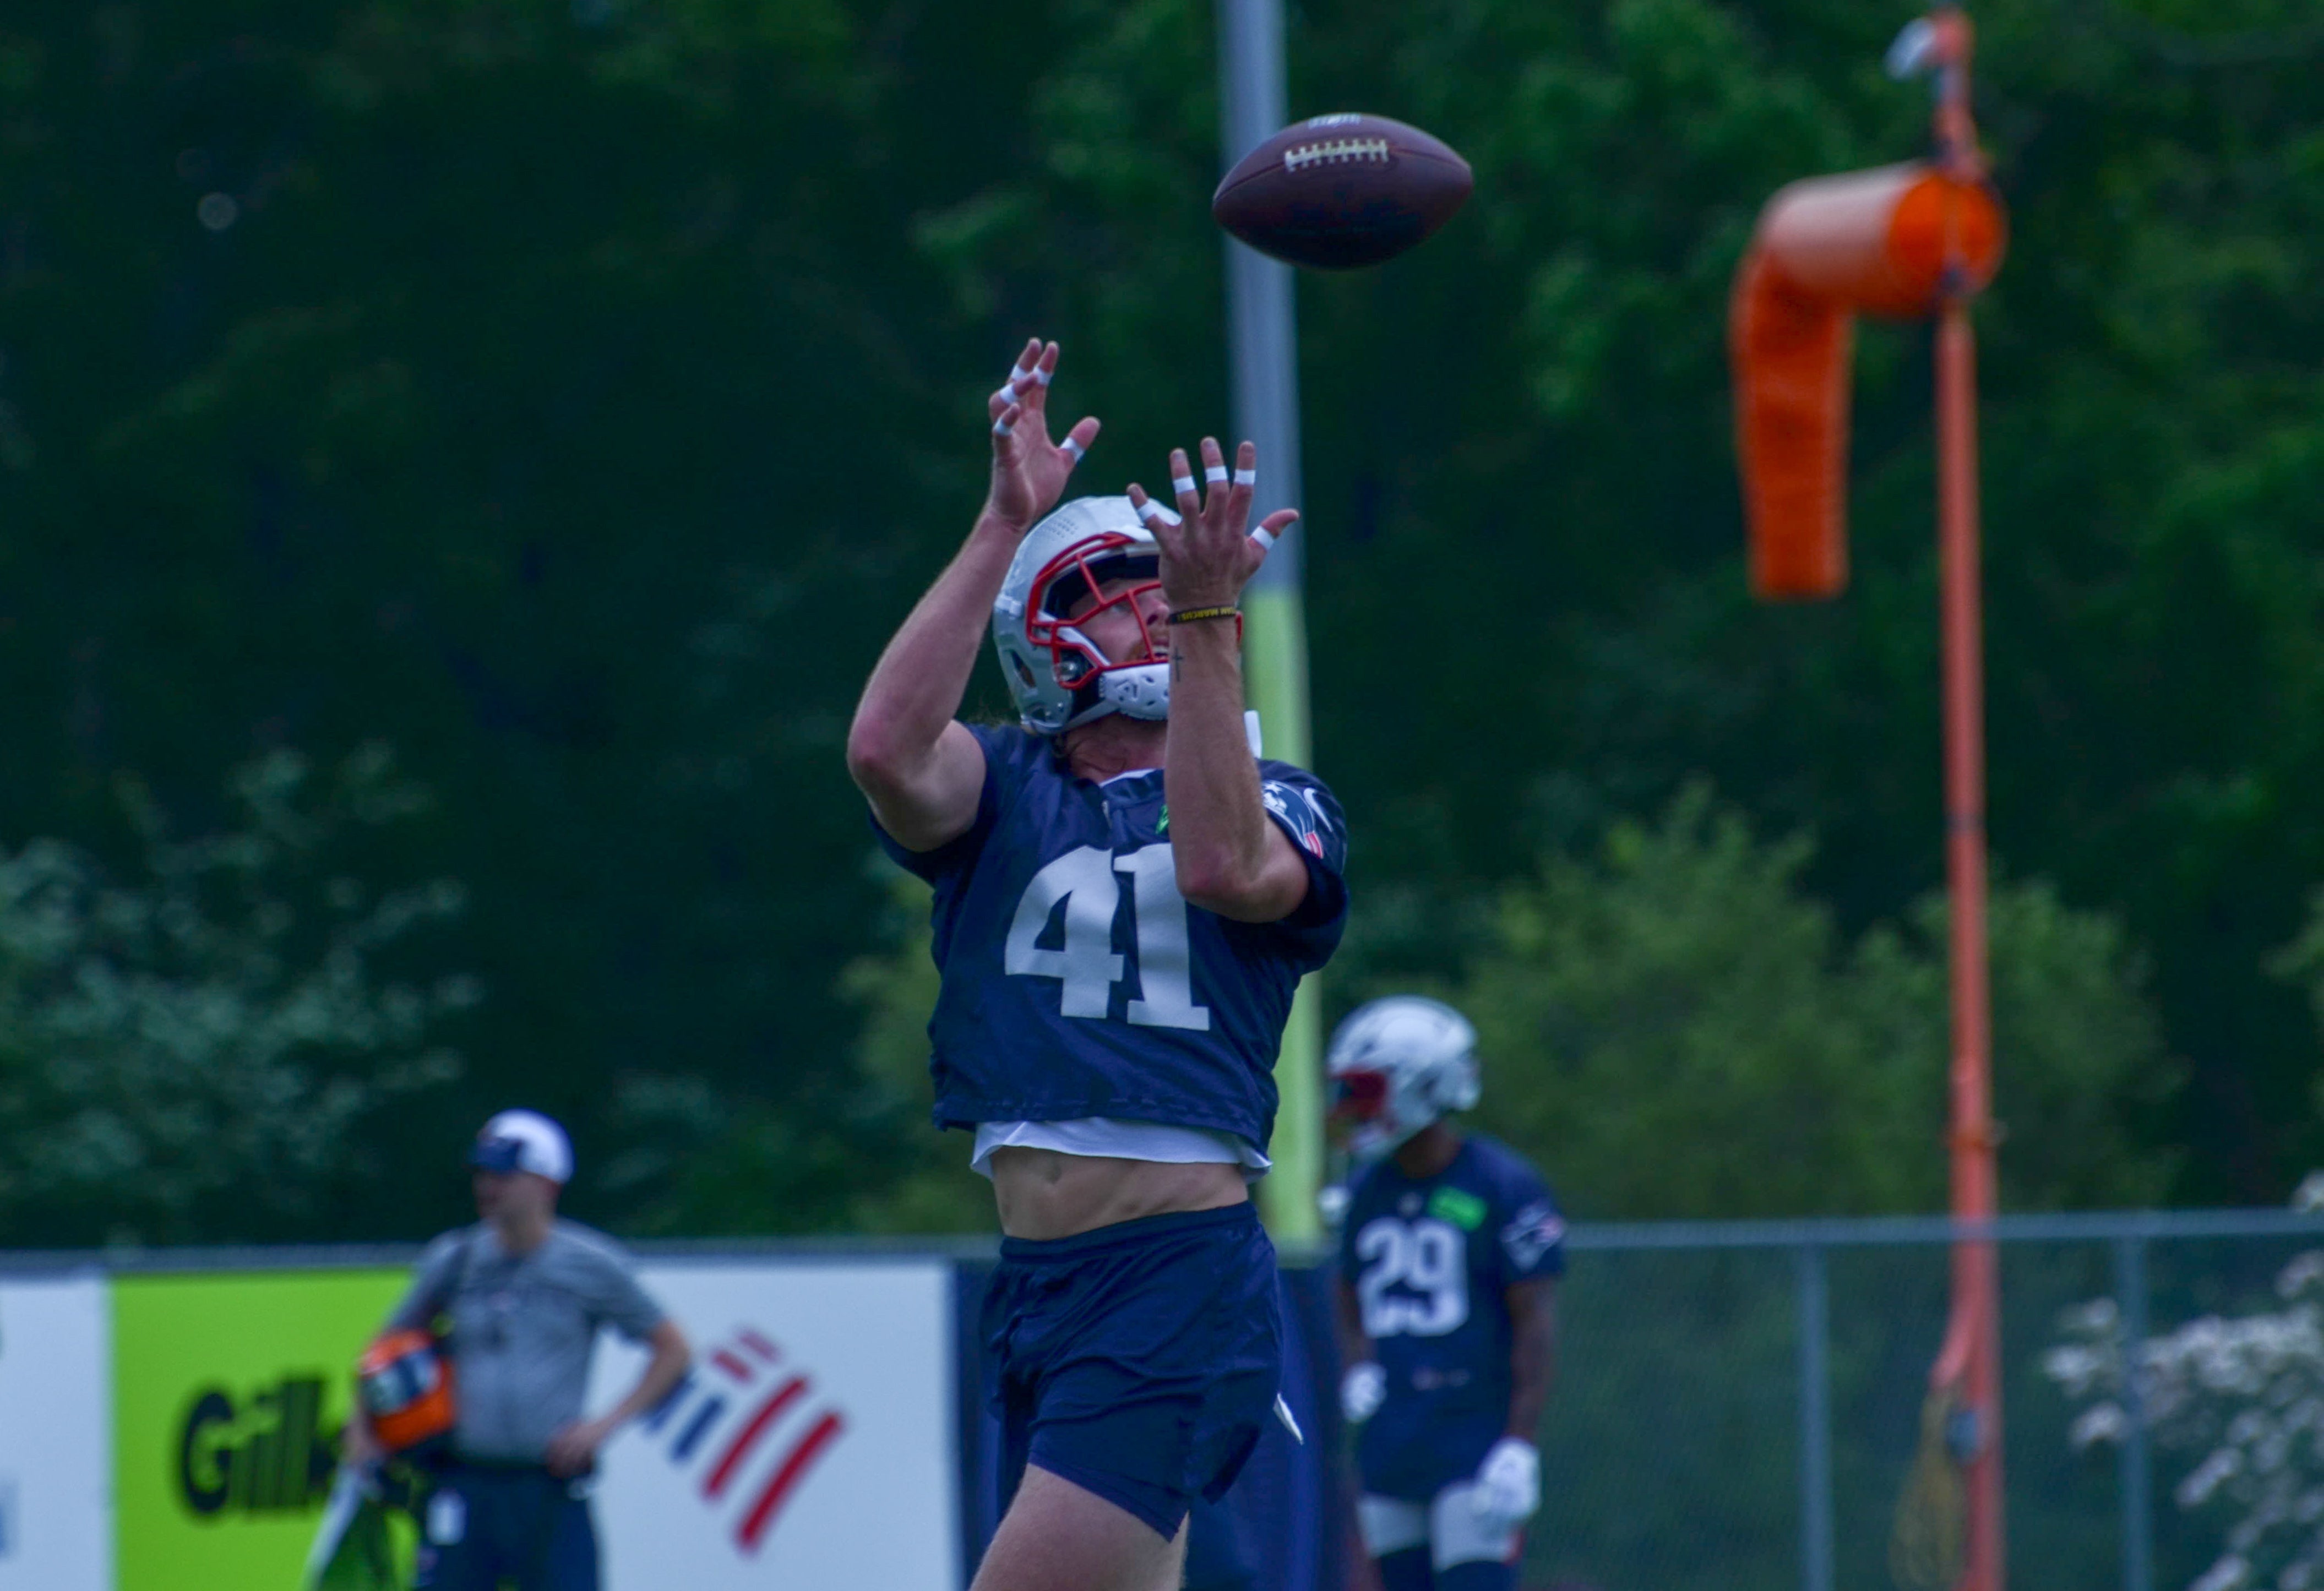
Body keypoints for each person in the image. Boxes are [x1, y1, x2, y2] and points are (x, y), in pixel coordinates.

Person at [845, 337, 1349, 1591]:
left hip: (1174, 1279)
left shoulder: (1277, 791)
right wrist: (999, 522)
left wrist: (1208, 619)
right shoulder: (1006, 786)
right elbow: (886, 752)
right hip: (1044, 1279)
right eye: (1126, 588)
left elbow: (1229, 864)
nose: (1157, 602)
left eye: (1161, 587)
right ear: (1055, 634)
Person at [346, 1109, 692, 1591]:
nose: (489, 1186)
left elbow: (672, 1349)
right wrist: (364, 1431)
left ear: (546, 1183)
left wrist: (603, 1427)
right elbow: (381, 1351)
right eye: (483, 1173)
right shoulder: (458, 1259)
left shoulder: (588, 1264)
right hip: (466, 1480)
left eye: (504, 1174)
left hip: (548, 1485)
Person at [1329, 998, 1564, 1591]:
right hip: (1394, 1436)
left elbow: (1534, 1322)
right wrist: (1358, 1365)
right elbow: (1348, 1292)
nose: (1351, 1108)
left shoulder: (1500, 1184)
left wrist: (1519, 1443)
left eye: (1366, 1089)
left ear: (1420, 1086)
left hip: (1472, 1437)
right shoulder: (1364, 1191)